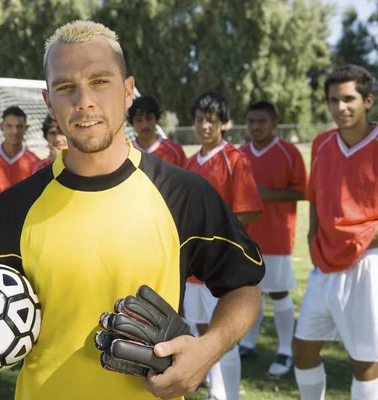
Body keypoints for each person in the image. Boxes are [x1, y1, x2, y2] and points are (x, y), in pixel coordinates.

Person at [0, 20, 265, 400]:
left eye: (99, 81)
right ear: (48, 101)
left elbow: (243, 286)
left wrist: (207, 350)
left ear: (127, 91)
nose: (84, 101)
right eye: (65, 87)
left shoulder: (183, 194)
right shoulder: (17, 206)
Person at [292, 65, 378, 400]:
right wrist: (313, 237)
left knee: (365, 362)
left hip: (366, 265)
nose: (340, 107)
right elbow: (315, 195)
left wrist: (365, 239)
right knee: (303, 349)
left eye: (348, 99)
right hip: (324, 265)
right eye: (333, 100)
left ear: (367, 100)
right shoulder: (322, 143)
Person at [183, 92, 263, 400]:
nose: (204, 126)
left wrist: (217, 236)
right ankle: (214, 388)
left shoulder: (234, 159)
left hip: (221, 266)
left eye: (211, 121)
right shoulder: (190, 162)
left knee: (223, 336)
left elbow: (251, 209)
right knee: (202, 331)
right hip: (193, 266)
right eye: (200, 120)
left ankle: (227, 394)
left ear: (224, 124)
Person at [239, 101, 307, 377]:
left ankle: (285, 350)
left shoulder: (289, 153)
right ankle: (248, 342)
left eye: (262, 121)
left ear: (274, 123)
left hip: (277, 235)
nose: (256, 126)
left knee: (278, 292)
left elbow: (302, 192)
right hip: (244, 236)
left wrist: (267, 193)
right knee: (248, 289)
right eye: (251, 121)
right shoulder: (240, 153)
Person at [128, 95, 186, 167]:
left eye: (149, 119)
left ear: (157, 119)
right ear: (132, 123)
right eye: (139, 120)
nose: (145, 125)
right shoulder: (125, 153)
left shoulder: (175, 151)